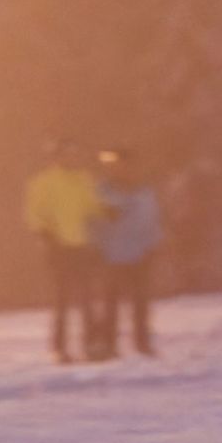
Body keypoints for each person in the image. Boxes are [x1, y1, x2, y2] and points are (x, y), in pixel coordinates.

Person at [24, 138, 110, 363]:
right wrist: (45, 235)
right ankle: (59, 348)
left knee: (88, 298)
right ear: (57, 157)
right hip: (58, 248)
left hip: (82, 246)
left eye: (75, 154)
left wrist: (106, 213)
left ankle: (92, 344)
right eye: (68, 154)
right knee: (61, 299)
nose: (73, 158)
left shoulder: (83, 180)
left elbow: (92, 207)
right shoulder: (43, 182)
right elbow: (35, 213)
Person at [94, 149, 163, 357]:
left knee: (140, 302)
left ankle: (142, 343)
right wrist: (96, 246)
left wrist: (153, 245)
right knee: (110, 302)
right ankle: (108, 344)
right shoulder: (103, 191)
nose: (121, 169)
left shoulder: (144, 192)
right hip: (111, 253)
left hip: (139, 253)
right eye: (116, 165)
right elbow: (93, 221)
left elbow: (152, 220)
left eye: (125, 165)